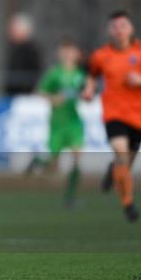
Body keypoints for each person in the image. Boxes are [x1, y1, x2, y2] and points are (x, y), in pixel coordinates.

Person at [81, 10, 141, 222]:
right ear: (109, 30)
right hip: (113, 113)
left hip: (138, 116)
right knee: (121, 154)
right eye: (115, 26)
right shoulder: (100, 55)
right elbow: (92, 76)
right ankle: (128, 204)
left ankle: (114, 171)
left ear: (131, 29)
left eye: (123, 25)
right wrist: (89, 90)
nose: (119, 30)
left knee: (125, 166)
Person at [29, 37, 85, 208]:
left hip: (74, 122)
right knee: (53, 164)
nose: (69, 54)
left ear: (77, 54)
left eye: (72, 51)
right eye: (65, 51)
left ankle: (70, 198)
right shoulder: (55, 73)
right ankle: (38, 161)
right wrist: (53, 97)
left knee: (76, 159)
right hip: (57, 124)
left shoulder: (80, 74)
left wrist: (87, 94)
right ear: (60, 54)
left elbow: (86, 92)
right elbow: (39, 92)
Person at [5, 13, 42, 95]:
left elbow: (35, 72)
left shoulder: (31, 49)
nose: (11, 33)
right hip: (13, 93)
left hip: (24, 94)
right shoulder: (14, 47)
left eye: (14, 30)